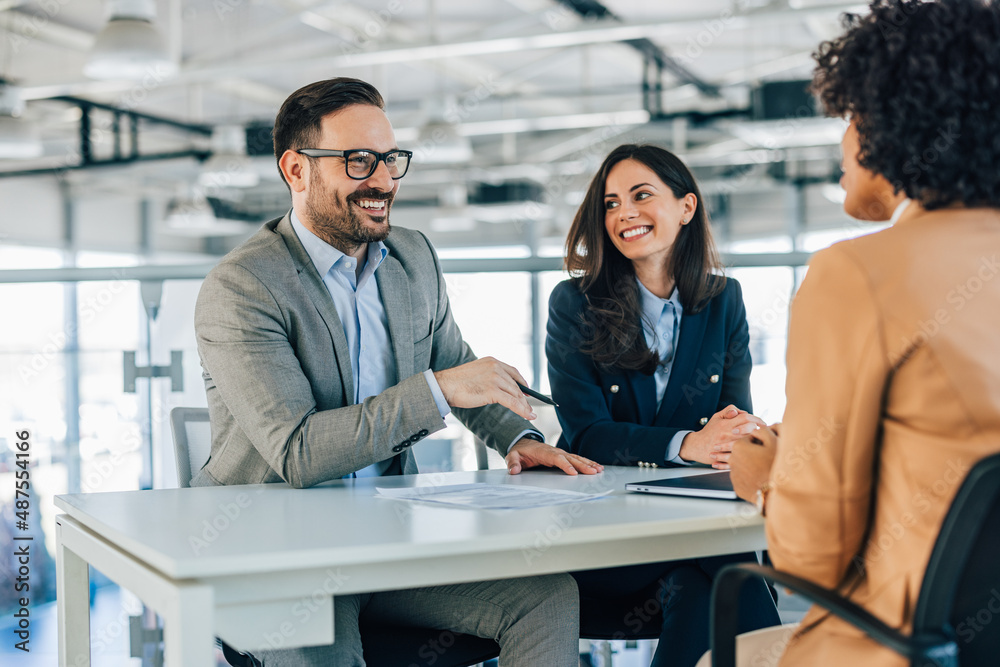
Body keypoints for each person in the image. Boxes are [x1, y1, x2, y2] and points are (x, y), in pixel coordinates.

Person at [192, 77, 603, 666]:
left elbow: (457, 369)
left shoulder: (412, 257)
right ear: (296, 169)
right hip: (275, 552)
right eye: (358, 161)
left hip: (386, 539)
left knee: (547, 596)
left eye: (389, 159)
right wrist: (438, 391)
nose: (382, 180)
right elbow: (299, 453)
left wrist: (518, 438)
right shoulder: (243, 287)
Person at [725, 1, 1000, 666]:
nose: (843, 142)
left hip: (906, 645)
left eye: (849, 117)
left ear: (888, 122)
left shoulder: (859, 275)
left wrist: (766, 479)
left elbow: (814, 558)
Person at [545, 143, 780, 667]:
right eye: (609, 203)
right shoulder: (574, 304)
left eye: (641, 195)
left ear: (686, 208)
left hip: (693, 528)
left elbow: (732, 423)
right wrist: (687, 444)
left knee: (698, 591)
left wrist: (739, 439)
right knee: (740, 578)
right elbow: (586, 433)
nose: (623, 213)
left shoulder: (724, 299)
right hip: (608, 537)